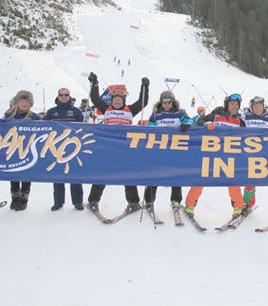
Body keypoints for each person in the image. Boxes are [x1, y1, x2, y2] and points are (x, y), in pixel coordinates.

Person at [86, 72, 149, 212]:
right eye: (115, 99)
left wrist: (145, 87)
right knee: (102, 175)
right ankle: (93, 201)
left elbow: (142, 102)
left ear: (123, 101)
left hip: (125, 149)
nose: (117, 101)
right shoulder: (106, 109)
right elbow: (95, 98)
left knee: (127, 176)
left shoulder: (130, 110)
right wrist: (94, 83)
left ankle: (133, 202)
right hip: (108, 148)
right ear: (112, 101)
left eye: (120, 100)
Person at [184, 93, 245, 219]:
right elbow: (199, 120)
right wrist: (206, 124)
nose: (234, 107)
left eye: (236, 105)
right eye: (232, 104)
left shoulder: (240, 121)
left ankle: (238, 208)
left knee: (233, 182)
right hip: (211, 154)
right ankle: (189, 206)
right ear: (226, 104)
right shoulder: (217, 114)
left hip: (229, 156)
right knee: (201, 179)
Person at [144, 91, 192, 210]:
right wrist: (153, 129)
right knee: (154, 174)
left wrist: (186, 125)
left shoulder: (180, 113)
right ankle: (149, 201)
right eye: (164, 102)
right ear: (161, 102)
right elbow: (150, 126)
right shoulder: (156, 114)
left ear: (173, 102)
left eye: (169, 102)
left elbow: (190, 121)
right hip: (160, 150)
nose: (166, 105)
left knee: (176, 175)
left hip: (176, 150)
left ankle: (176, 200)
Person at [44, 88, 85, 211]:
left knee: (75, 175)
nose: (63, 96)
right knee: (58, 175)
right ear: (58, 96)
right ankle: (58, 202)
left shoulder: (76, 111)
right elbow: (44, 127)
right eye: (61, 95)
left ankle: (78, 202)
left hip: (73, 147)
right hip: (56, 147)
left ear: (70, 96)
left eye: (66, 94)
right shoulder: (51, 112)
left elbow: (83, 128)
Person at [3, 90, 41, 211]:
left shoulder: (35, 117)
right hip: (12, 148)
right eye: (22, 101)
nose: (24, 103)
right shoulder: (9, 116)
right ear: (17, 102)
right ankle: (14, 197)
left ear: (30, 103)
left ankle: (24, 199)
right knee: (13, 172)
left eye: (27, 101)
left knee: (26, 173)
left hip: (28, 149)